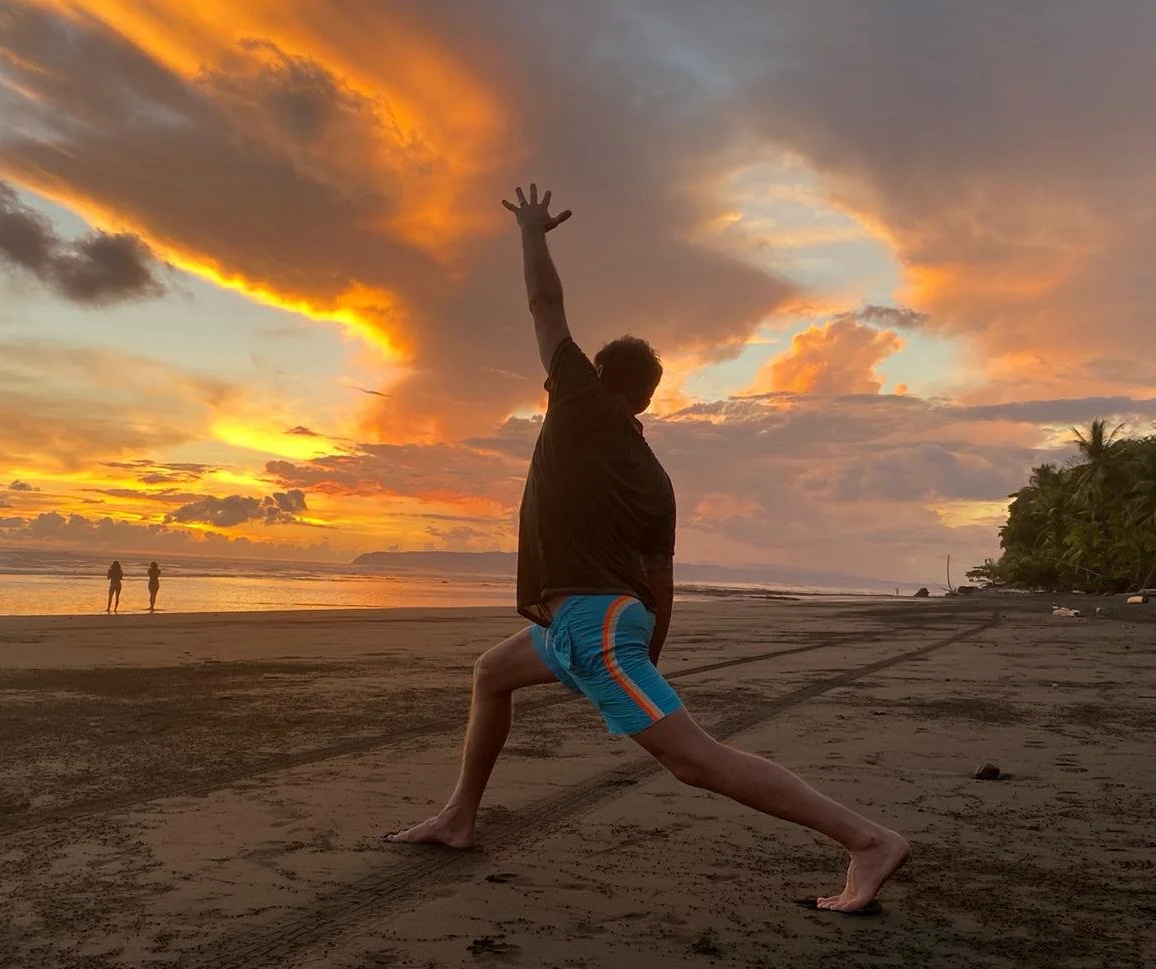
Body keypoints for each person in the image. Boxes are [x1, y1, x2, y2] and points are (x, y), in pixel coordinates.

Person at [385, 184, 909, 912]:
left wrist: (532, 232)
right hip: (594, 621)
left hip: (593, 626)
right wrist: (649, 650)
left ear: (598, 377)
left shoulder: (577, 400)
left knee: (694, 761)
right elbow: (660, 578)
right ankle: (460, 817)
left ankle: (866, 840)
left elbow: (544, 307)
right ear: (652, 399)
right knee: (491, 673)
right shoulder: (656, 476)